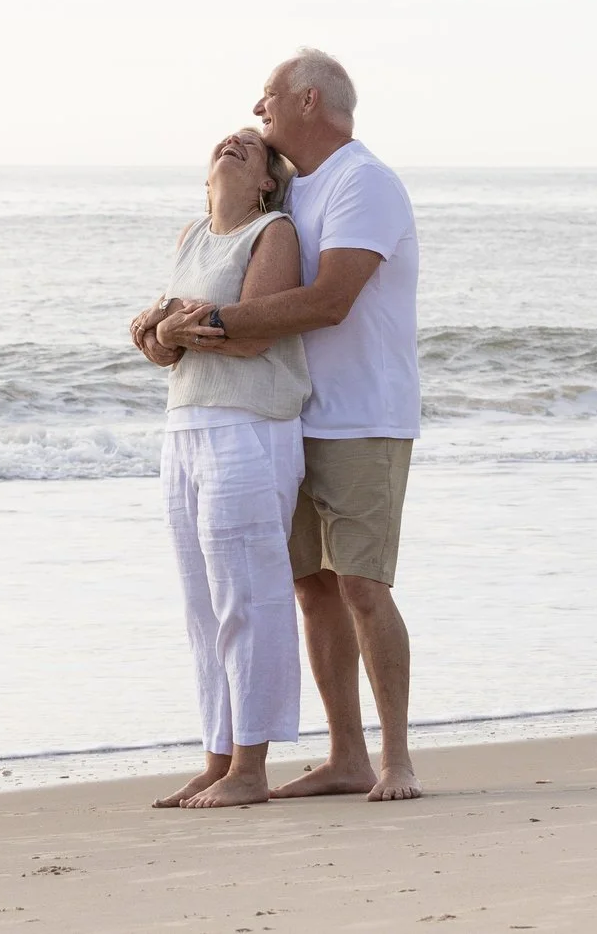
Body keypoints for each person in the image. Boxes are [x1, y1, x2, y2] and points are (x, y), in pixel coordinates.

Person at [158, 50, 424, 802]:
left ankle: (396, 756)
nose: (258, 106)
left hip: (365, 412)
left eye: (269, 96)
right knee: (311, 587)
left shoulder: (362, 182)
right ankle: (345, 754)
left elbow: (331, 298)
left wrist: (207, 320)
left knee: (364, 586)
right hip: (293, 414)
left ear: (309, 100)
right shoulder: (297, 191)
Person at [129, 128, 313, 809]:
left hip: (248, 425)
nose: (235, 143)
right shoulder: (190, 237)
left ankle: (251, 766)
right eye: (226, 141)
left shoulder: (274, 231)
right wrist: (158, 334)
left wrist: (175, 327)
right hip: (185, 427)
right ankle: (217, 758)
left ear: (267, 180)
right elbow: (167, 348)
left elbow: (257, 330)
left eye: (252, 147)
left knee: (250, 596)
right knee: (201, 607)